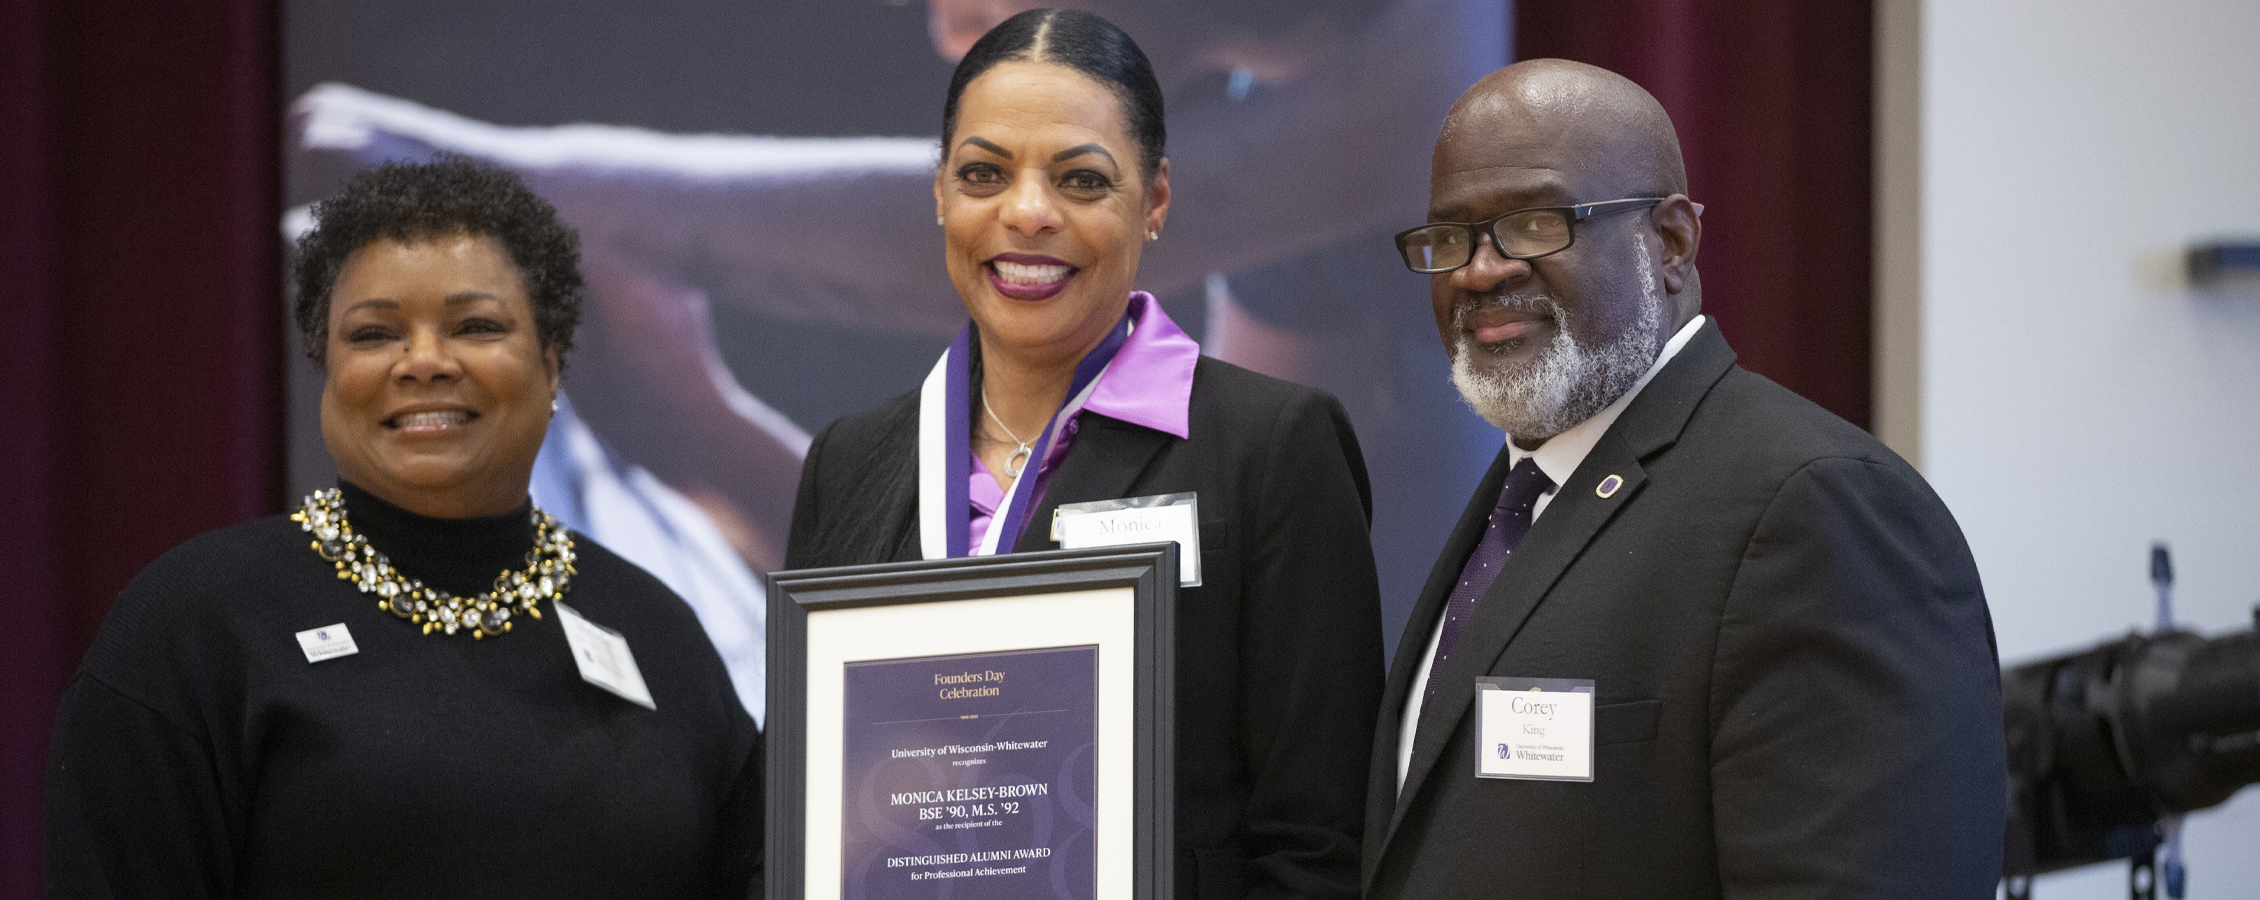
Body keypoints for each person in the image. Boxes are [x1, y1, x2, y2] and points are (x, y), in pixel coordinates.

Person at [1362, 60, 2006, 899]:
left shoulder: (1817, 506)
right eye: (1451, 240)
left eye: (1532, 223)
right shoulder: (1511, 507)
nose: (1481, 272)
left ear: (1669, 242)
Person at [44, 156, 761, 898]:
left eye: (475, 325)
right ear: (328, 371)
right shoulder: (197, 626)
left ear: (551, 368)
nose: (424, 362)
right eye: (375, 334)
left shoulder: (655, 634)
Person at [785, 10, 1382, 900]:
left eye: (1082, 179)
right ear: (940, 194)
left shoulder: (1271, 449)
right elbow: (792, 809)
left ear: (1156, 201)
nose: (1028, 213)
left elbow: (1320, 841)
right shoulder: (850, 460)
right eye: (983, 174)